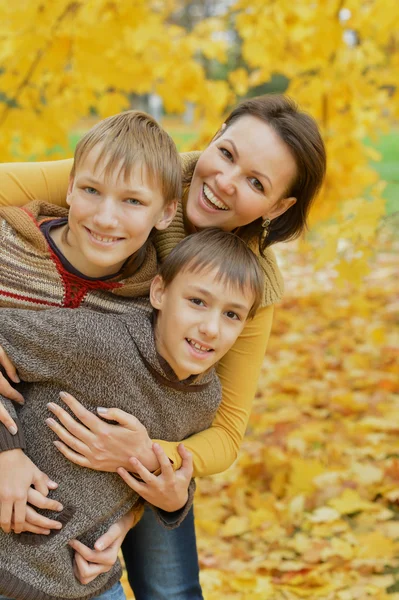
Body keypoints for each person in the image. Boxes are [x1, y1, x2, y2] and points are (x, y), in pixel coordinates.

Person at [0, 94, 327, 599]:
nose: (224, 182)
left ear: (279, 207)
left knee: (171, 589)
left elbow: (224, 431)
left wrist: (150, 463)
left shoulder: (250, 284)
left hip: (152, 430)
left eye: (256, 183)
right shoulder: (137, 175)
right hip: (70, 378)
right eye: (229, 154)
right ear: (216, 133)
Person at [0, 228, 264, 600]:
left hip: (85, 577)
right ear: (159, 293)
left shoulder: (205, 399)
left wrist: (173, 502)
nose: (211, 327)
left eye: (232, 314)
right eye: (197, 302)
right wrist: (6, 449)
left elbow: (167, 471)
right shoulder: (97, 341)